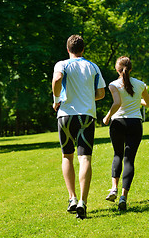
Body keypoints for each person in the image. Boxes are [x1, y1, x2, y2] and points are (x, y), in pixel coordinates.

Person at [52, 35, 106, 219]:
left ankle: (72, 198)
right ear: (83, 49)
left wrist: (56, 100)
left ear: (68, 49)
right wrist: (88, 98)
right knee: (85, 158)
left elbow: (57, 79)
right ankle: (83, 201)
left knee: (67, 156)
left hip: (65, 116)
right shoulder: (93, 66)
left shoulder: (62, 64)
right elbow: (101, 93)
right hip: (86, 116)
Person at [102, 56, 149, 211]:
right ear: (130, 69)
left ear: (117, 70)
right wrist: (139, 101)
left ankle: (114, 189)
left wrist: (107, 116)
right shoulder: (140, 84)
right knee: (129, 159)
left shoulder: (113, 85)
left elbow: (117, 103)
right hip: (135, 124)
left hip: (118, 123)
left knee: (117, 154)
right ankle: (123, 196)